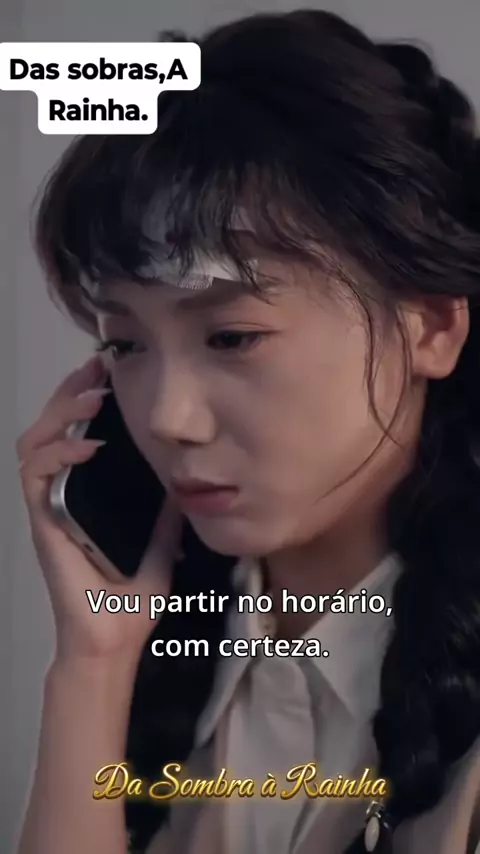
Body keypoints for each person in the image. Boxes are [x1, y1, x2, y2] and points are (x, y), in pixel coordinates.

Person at [15, 8, 480, 854]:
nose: (166, 418)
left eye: (231, 337)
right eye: (125, 344)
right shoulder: (159, 666)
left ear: (433, 327)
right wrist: (90, 668)